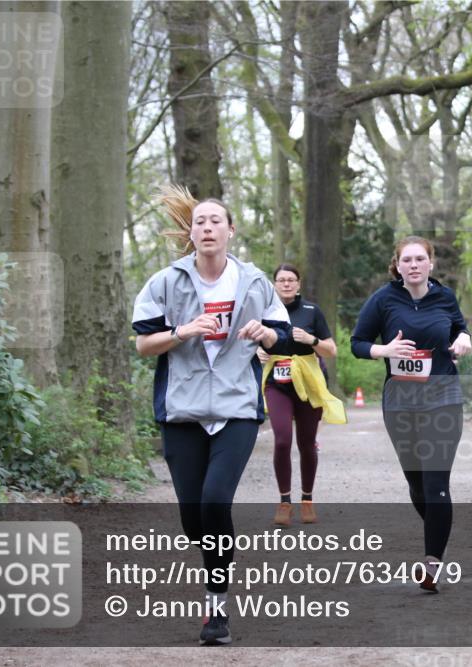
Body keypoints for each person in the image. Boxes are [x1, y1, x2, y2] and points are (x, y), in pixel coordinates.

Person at [131, 186, 291, 646]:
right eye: (199, 221)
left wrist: (264, 333)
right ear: (191, 231)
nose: (206, 228)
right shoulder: (166, 282)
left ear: (230, 230)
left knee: (216, 500)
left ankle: (216, 607)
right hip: (181, 411)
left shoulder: (256, 282)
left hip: (236, 409)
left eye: (215, 221)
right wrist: (182, 331)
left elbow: (282, 337)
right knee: (193, 515)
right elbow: (144, 343)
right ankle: (214, 568)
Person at [350, 235, 472, 593]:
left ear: (430, 264)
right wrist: (384, 349)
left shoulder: (444, 297)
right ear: (398, 265)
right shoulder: (383, 299)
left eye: (421, 259)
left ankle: (432, 562)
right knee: (417, 486)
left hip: (443, 396)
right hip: (400, 400)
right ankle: (439, 528)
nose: (414, 265)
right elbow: (357, 343)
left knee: (436, 483)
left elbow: (459, 329)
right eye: (407, 259)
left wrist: (464, 338)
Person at [256, 263, 345, 527]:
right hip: (277, 383)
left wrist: (311, 340)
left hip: (308, 382)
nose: (286, 284)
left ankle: (306, 499)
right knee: (282, 440)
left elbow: (331, 350)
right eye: (281, 280)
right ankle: (285, 502)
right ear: (274, 284)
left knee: (307, 443)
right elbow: (247, 341)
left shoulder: (311, 312)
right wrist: (256, 352)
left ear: (298, 284)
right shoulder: (265, 312)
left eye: (291, 280)